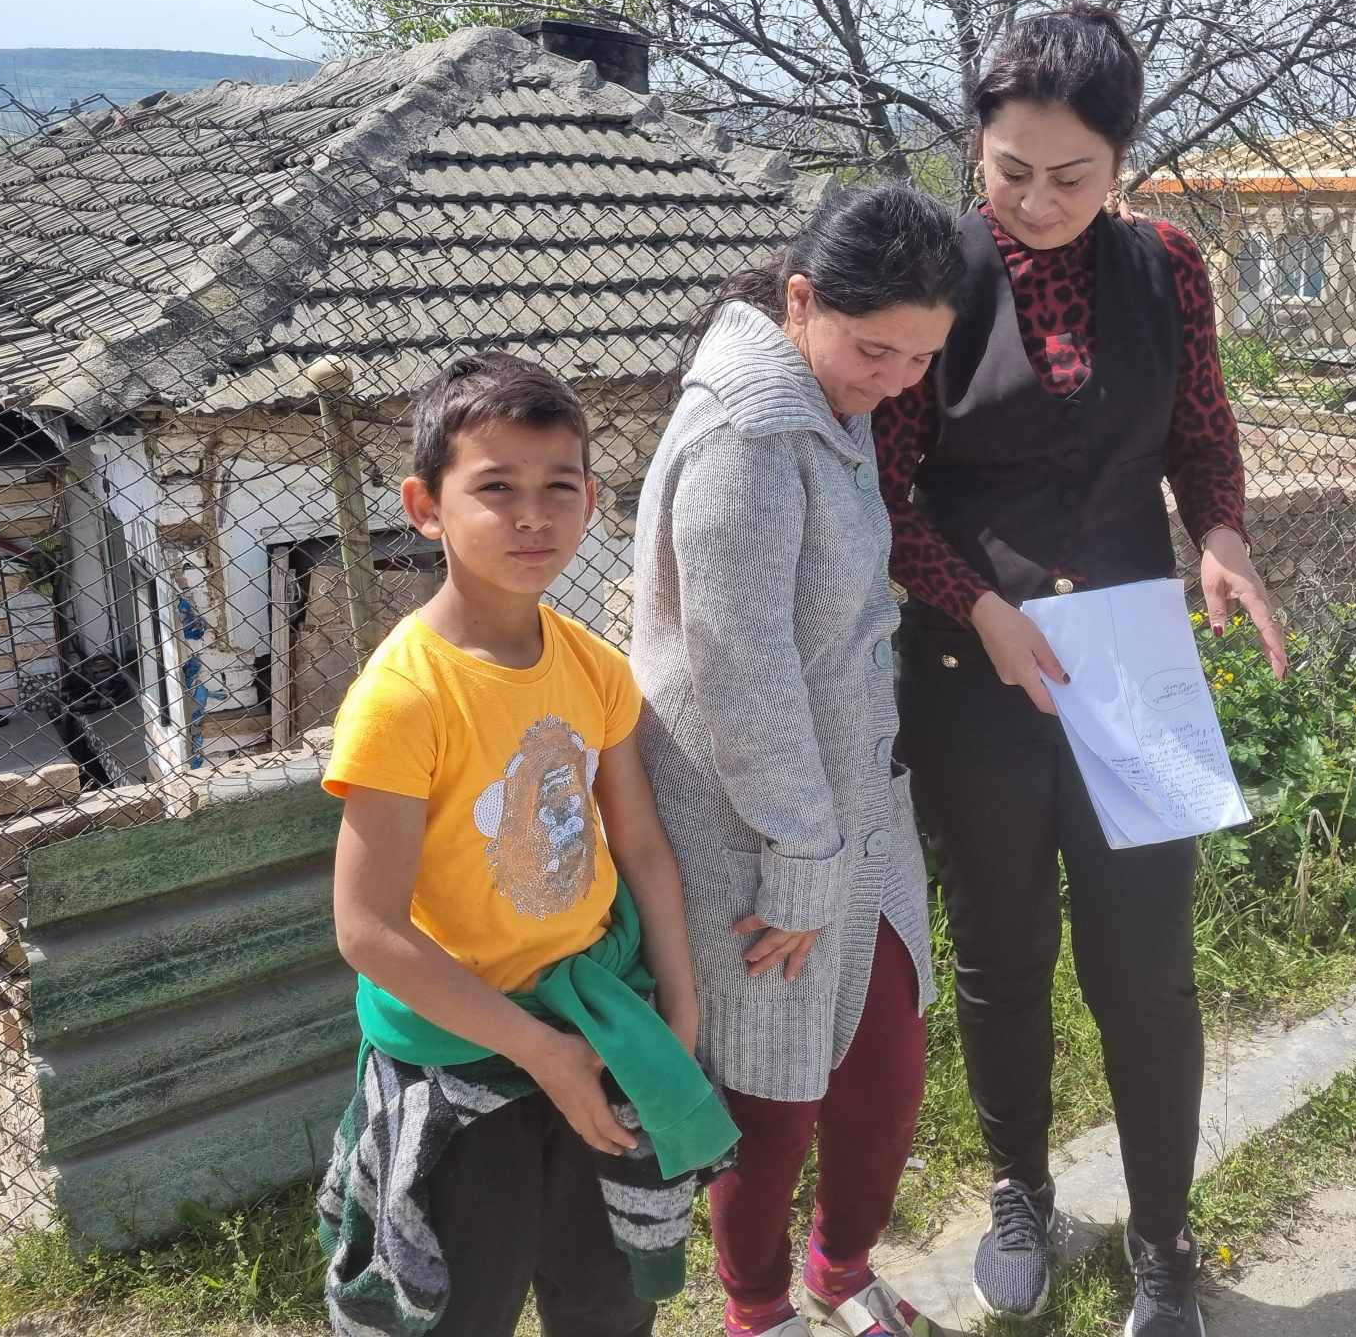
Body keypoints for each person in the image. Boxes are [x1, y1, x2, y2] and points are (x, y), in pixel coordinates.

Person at [874, 2, 1289, 1337]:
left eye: (1074, 176)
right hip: (972, 676)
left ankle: (1164, 1240)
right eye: (1012, 172)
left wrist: (1219, 536)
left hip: (1133, 672)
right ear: (975, 148)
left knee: (1146, 969)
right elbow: (886, 493)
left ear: (1122, 162)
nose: (1040, 203)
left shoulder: (1168, 267)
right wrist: (978, 606)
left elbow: (1202, 434)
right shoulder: (929, 273)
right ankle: (1022, 1195)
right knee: (1002, 956)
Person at [317, 352, 739, 1337]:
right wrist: (541, 1052)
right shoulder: (404, 697)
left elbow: (642, 848)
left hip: (600, 1026)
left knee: (608, 1302)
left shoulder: (594, 667)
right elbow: (368, 930)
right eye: (496, 487)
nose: (532, 516)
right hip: (464, 1057)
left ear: (591, 498)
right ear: (426, 506)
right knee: (462, 1307)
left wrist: (679, 1010)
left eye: (559, 486)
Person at [632, 185, 966, 1337]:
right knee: (771, 1100)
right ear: (801, 300)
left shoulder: (834, 400)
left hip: (854, 808)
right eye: (878, 350)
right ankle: (759, 1310)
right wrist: (801, 862)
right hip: (755, 833)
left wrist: (837, 841)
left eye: (923, 357)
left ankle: (840, 1270)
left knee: (887, 1067)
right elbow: (741, 673)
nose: (898, 381)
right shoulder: (750, 437)